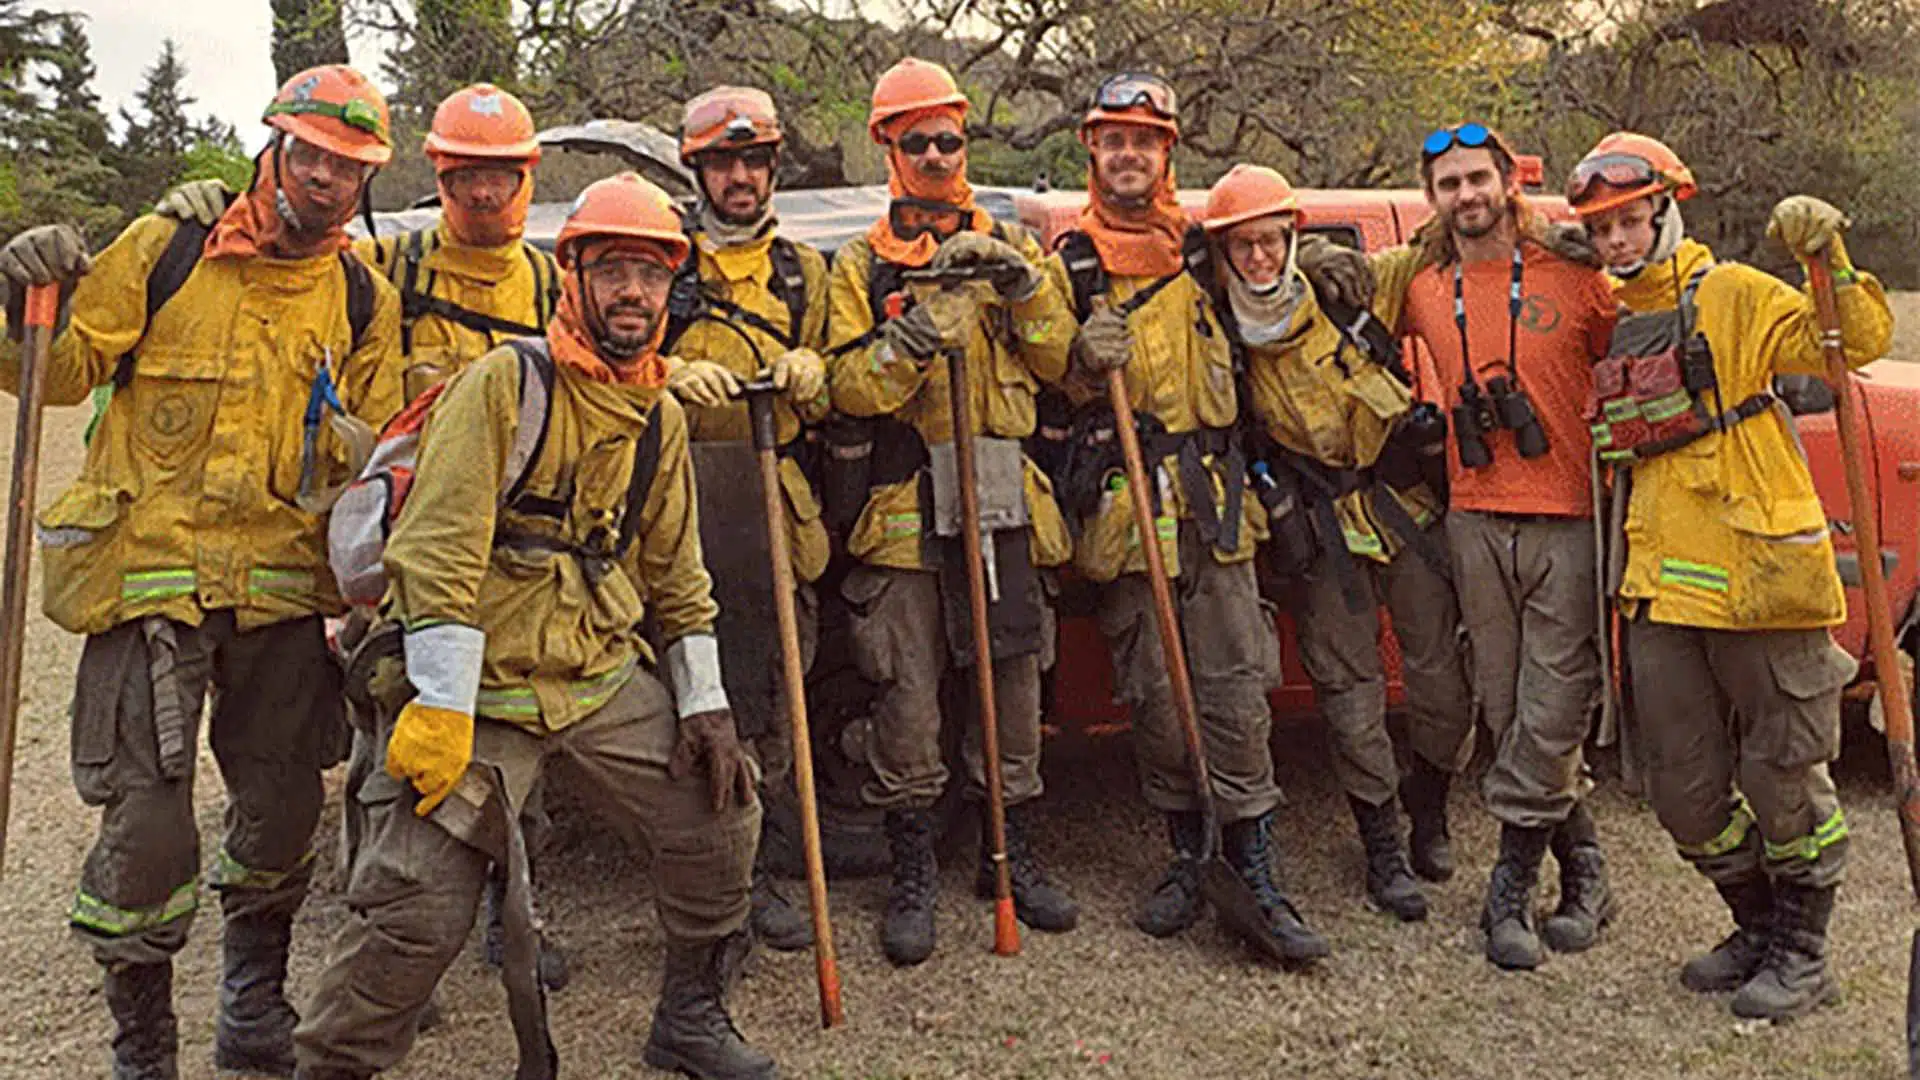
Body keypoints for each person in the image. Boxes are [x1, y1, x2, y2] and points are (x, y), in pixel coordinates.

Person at [291, 172, 775, 1080]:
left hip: (592, 675)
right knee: (418, 910)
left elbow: (678, 576)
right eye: (616, 271)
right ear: (575, 279)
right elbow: (434, 553)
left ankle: (690, 1018)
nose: (635, 293)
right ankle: (331, 1065)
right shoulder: (503, 385)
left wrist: (705, 704)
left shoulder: (658, 414)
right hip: (477, 688)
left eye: (654, 274)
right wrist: (436, 707)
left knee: (723, 812)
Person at [0, 64, 402, 1079]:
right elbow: (64, 369)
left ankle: (251, 1007)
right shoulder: (165, 248)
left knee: (281, 810)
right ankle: (145, 1047)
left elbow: (382, 450)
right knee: (147, 831)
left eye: (349, 167)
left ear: (366, 182)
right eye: (311, 153)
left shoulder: (362, 293)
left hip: (281, 593)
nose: (325, 178)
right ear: (273, 145)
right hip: (151, 584)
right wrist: (20, 304)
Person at [161, 81, 572, 993]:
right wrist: (208, 207)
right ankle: (381, 932)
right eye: (465, 176)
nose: (484, 196)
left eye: (502, 177)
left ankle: (517, 911)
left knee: (515, 736)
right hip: (409, 552)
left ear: (529, 177)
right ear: (439, 174)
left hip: (515, 556)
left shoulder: (552, 284)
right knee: (386, 750)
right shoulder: (390, 272)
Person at [1566, 132, 1891, 1018]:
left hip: (1763, 580)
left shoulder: (1737, 294)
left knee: (1786, 775)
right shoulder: (1612, 315)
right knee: (1682, 786)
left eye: (1630, 221)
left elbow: (1851, 343)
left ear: (1667, 209)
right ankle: (1752, 923)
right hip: (1665, 589)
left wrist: (1828, 255)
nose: (1618, 243)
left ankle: (1804, 949)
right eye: (1601, 231)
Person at [1307, 122, 1620, 971]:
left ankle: (1509, 891)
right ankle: (1587, 868)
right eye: (1449, 185)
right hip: (1475, 516)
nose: (1466, 197)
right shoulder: (1422, 280)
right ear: (1431, 196)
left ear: (1508, 182)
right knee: (1510, 710)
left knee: (1553, 710)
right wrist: (1317, 266)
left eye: (1478, 180)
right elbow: (1326, 304)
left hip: (1569, 517)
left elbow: (1637, 355)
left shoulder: (1580, 273)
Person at [1045, 76, 1322, 962]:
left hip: (1216, 506)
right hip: (1126, 511)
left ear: (1170, 153)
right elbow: (1044, 379)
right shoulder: (1071, 264)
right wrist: (1081, 363)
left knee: (1238, 692)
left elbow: (1277, 297)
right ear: (1091, 151)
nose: (1130, 154)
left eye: (1146, 140)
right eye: (1114, 140)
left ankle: (1254, 862)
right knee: (1157, 701)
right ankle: (1185, 855)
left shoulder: (1207, 253)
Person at [824, 56, 1081, 967]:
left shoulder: (1021, 251)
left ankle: (1011, 856)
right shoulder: (858, 264)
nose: (936, 155)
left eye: (950, 138)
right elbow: (843, 389)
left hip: (1005, 492)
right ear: (886, 146)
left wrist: (1025, 288)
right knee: (908, 694)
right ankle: (913, 869)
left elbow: (1060, 364)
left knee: (1013, 687)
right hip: (902, 503)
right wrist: (910, 340)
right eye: (916, 140)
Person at [1206, 163, 1473, 926]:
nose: (1260, 260)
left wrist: (1559, 232)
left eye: (1273, 241)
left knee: (1442, 679)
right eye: (1243, 247)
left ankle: (1432, 802)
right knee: (1348, 689)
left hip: (1398, 503)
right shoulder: (1217, 328)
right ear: (1223, 254)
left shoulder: (1353, 293)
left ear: (1295, 237)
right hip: (1316, 522)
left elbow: (1446, 232)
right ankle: (1382, 842)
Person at [656, 85, 833, 952]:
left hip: (776, 504)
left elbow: (850, 375)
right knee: (692, 698)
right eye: (722, 161)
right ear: (697, 169)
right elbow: (595, 359)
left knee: (774, 693)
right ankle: (708, 876)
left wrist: (814, 370)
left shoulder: (807, 272)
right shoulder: (656, 259)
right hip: (680, 509)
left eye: (753, 160)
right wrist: (663, 376)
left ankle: (762, 869)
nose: (739, 176)